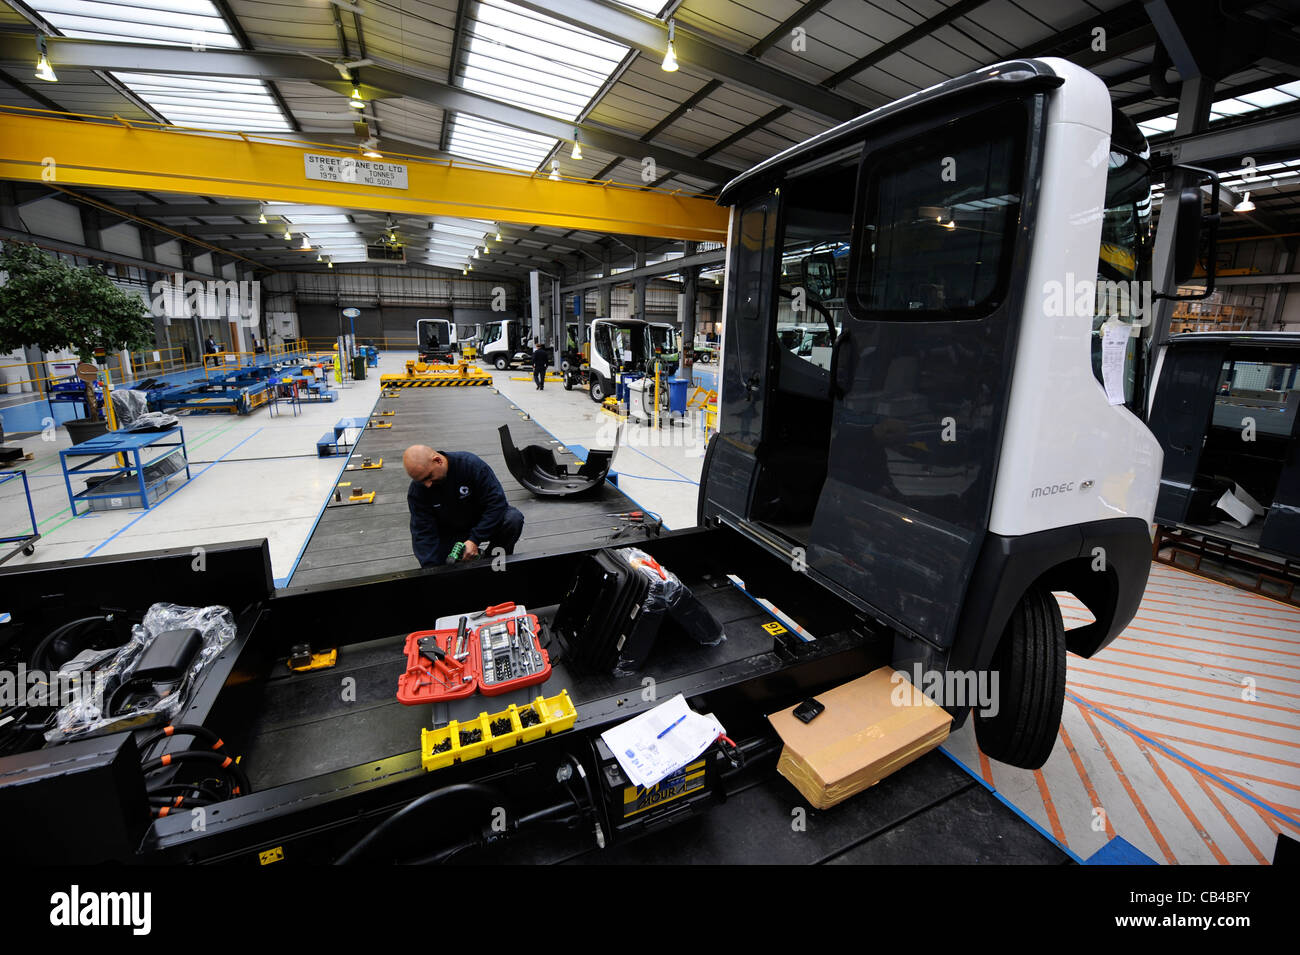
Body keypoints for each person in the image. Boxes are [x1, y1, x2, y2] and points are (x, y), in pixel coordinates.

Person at [404, 444, 525, 567]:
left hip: (479, 522)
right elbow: (422, 532)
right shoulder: (418, 490)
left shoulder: (470, 465)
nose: (427, 484)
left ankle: (492, 562)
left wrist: (474, 539)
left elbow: (497, 503)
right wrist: (431, 571)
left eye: (429, 477)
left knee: (512, 519)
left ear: (438, 461)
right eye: (421, 481)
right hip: (448, 532)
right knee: (445, 566)